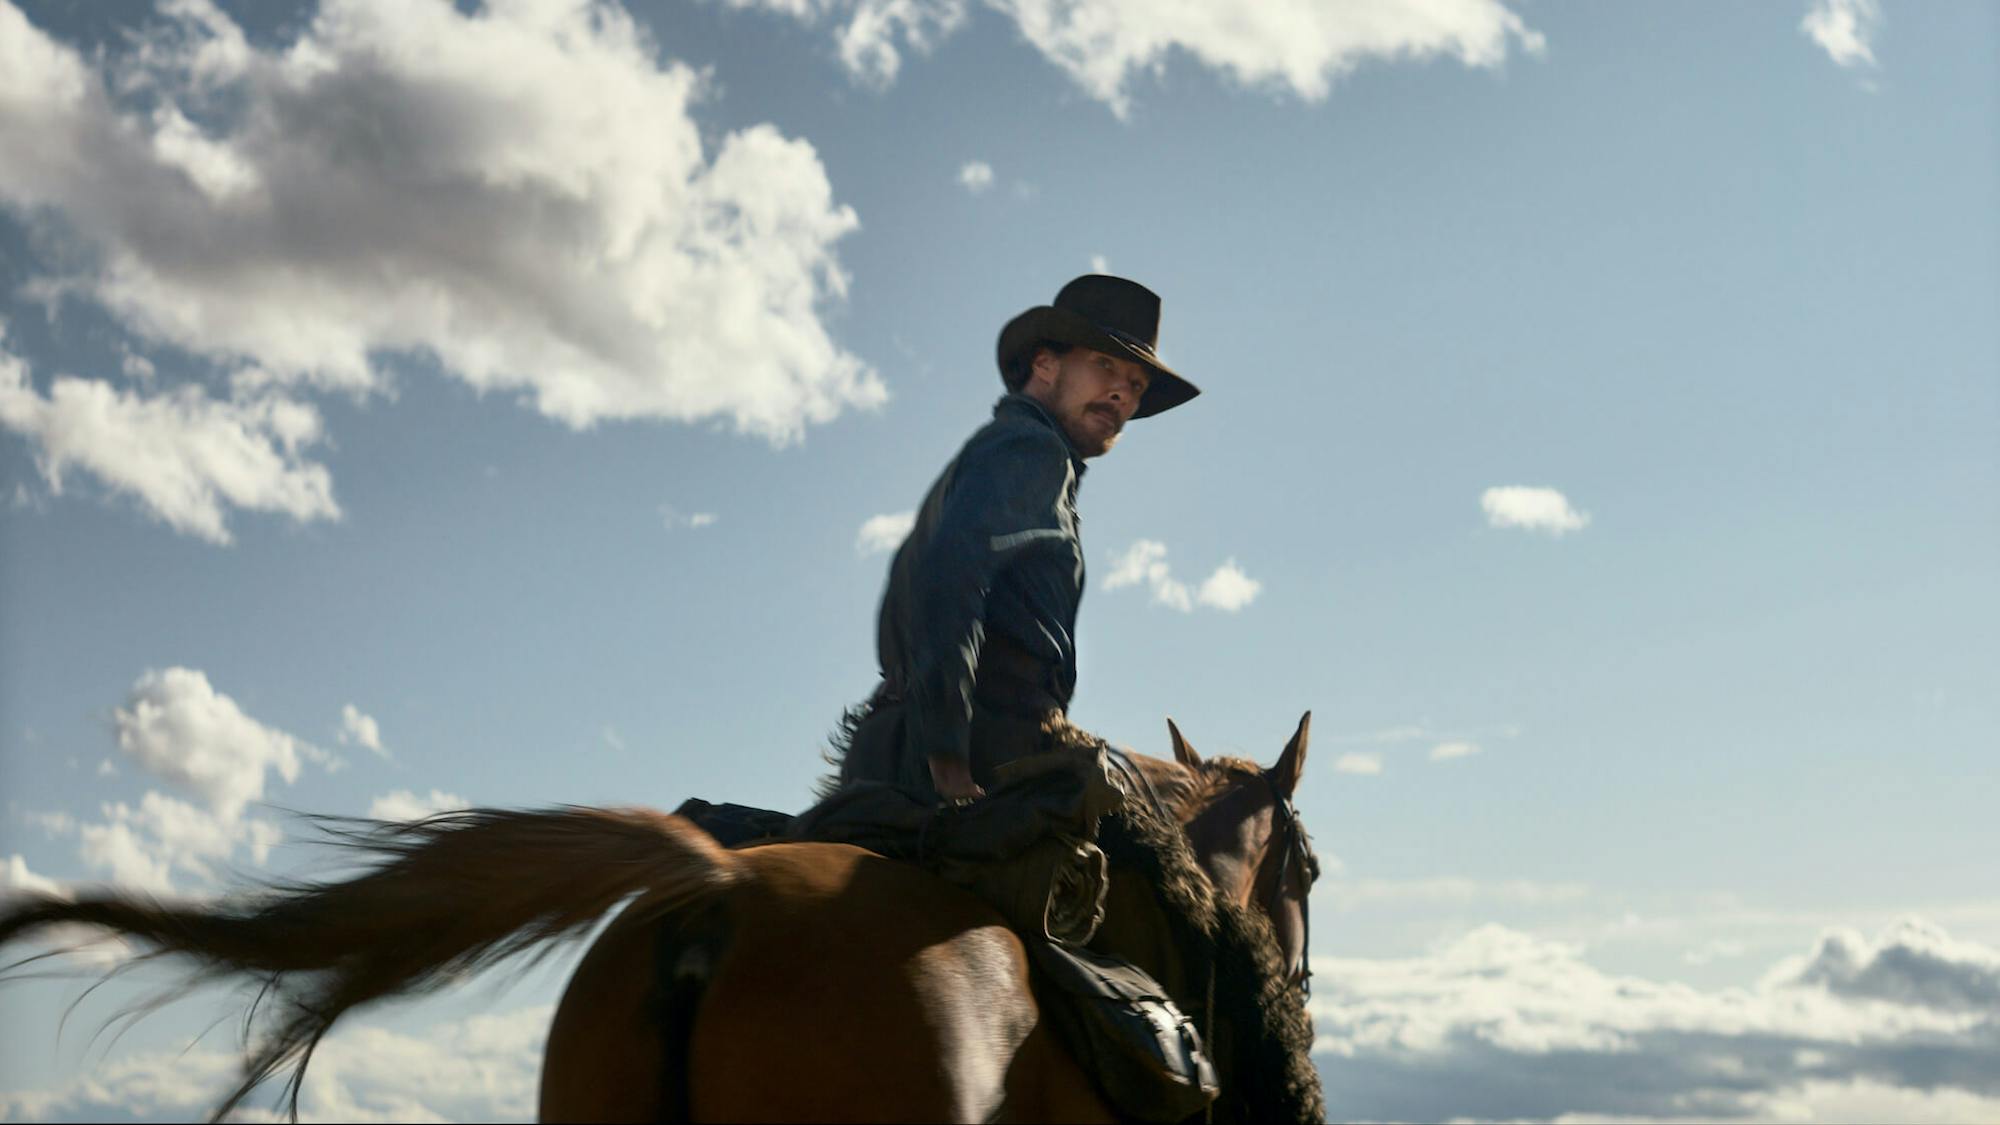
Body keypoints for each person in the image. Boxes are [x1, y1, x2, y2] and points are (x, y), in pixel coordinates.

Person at [837, 274, 1200, 802]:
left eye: (1136, 384)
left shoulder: (1006, 452)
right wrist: (948, 759)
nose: (1122, 393)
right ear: (1045, 364)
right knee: (1163, 869)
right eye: (1104, 365)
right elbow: (952, 582)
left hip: (905, 739)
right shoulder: (1032, 451)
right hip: (981, 754)